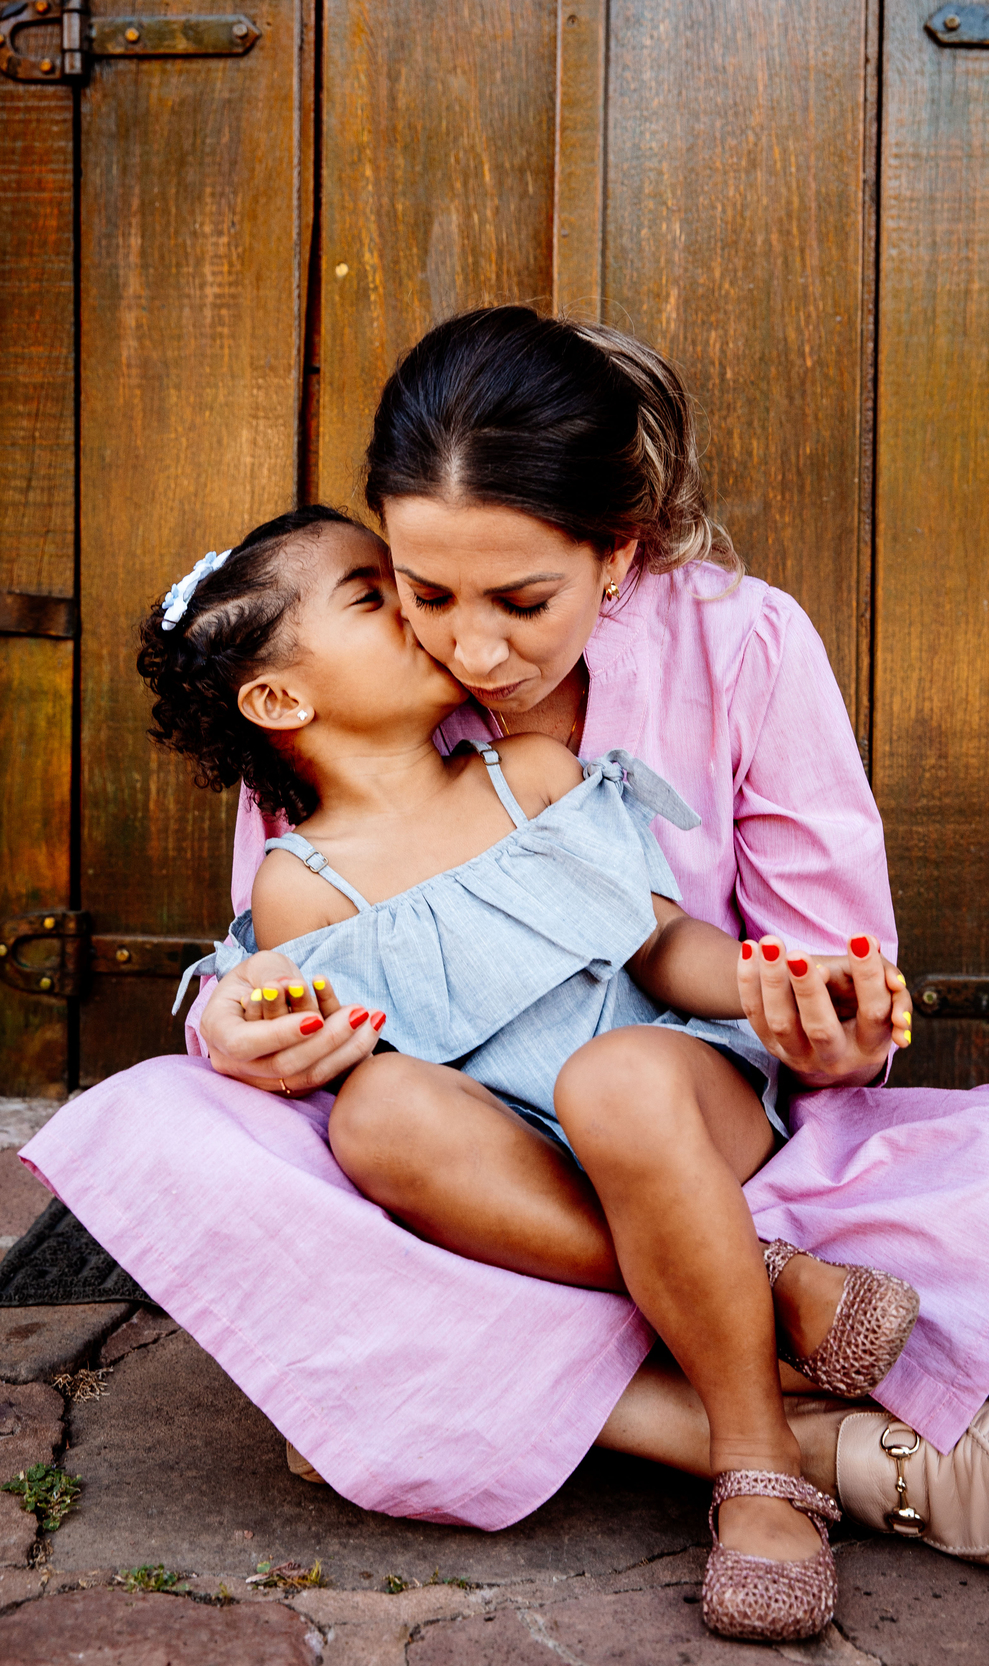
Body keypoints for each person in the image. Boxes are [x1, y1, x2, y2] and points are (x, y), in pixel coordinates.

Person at [24, 310, 989, 1621]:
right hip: (486, 1181)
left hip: (703, 1127)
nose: (469, 650)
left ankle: (466, 1384)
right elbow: (273, 984)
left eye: (523, 601)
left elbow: (761, 969)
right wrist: (234, 1034)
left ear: (615, 554)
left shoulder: (706, 665)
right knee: (210, 1131)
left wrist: (820, 1014)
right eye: (418, 590)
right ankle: (775, 1421)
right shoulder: (332, 742)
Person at [138, 503, 920, 1639]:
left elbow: (658, 940)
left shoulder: (533, 775)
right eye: (377, 596)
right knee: (378, 1115)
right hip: (523, 1171)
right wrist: (262, 1017)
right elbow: (325, 1034)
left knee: (613, 1080)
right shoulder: (297, 890)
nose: (419, 614)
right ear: (280, 700)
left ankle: (756, 1463)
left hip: (675, 1093)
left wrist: (776, 979)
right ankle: (756, 1276)